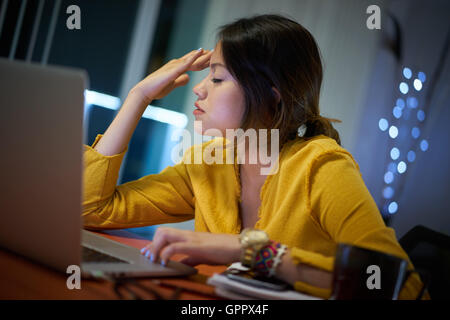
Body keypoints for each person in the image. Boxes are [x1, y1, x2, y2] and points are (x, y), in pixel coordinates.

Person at [82, 14, 428, 299]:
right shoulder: (208, 163)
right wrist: (138, 97)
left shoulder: (321, 166)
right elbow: (89, 209)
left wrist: (250, 250)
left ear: (270, 95)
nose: (199, 88)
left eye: (217, 77)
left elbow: (398, 285)